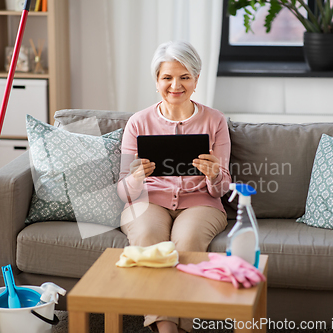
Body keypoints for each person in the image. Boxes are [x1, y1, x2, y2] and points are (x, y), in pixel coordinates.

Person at [117, 40, 231, 333]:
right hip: (149, 201)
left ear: (196, 80)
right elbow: (123, 191)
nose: (175, 85)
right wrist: (135, 178)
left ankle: (186, 326)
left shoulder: (215, 121)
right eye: (167, 77)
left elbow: (222, 190)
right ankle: (166, 328)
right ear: (156, 81)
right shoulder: (138, 123)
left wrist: (214, 175)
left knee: (188, 241)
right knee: (146, 236)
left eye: (184, 77)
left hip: (201, 203)